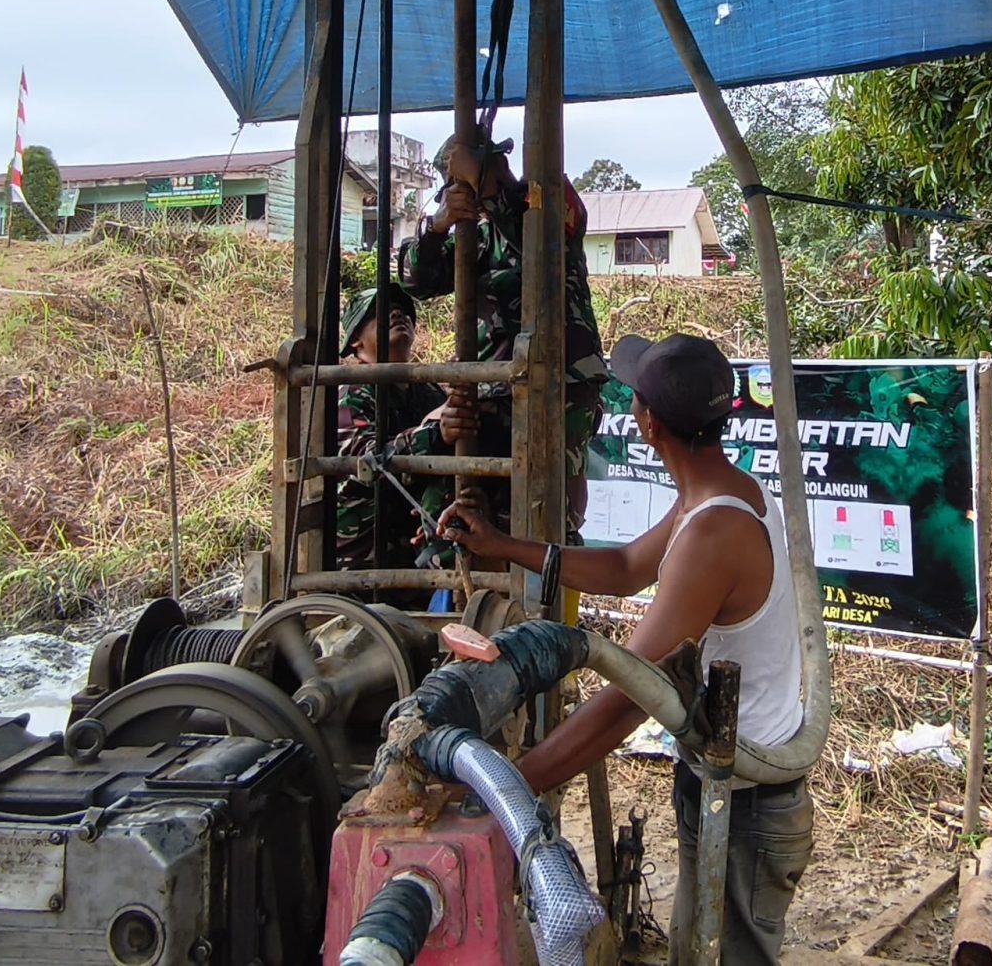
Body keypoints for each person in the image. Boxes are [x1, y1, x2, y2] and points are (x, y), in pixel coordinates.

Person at [435, 333, 811, 966]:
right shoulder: (716, 493)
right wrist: (505, 546)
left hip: (750, 806)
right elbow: (627, 566)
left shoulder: (714, 532)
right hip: (724, 782)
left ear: (648, 423)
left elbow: (629, 696)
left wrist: (504, 786)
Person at [398, 129, 608, 539]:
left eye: (483, 169)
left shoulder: (545, 197)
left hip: (561, 385)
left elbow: (544, 241)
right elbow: (416, 280)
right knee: (468, 500)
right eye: (459, 183)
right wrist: (437, 227)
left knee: (544, 512)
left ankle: (542, 591)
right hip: (495, 390)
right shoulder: (473, 236)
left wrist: (488, 189)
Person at [330, 284, 448, 571]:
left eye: (404, 311)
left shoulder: (428, 392)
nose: (398, 314)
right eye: (381, 312)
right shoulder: (353, 392)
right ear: (356, 340)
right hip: (365, 555)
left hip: (413, 547)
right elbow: (366, 459)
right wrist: (436, 432)